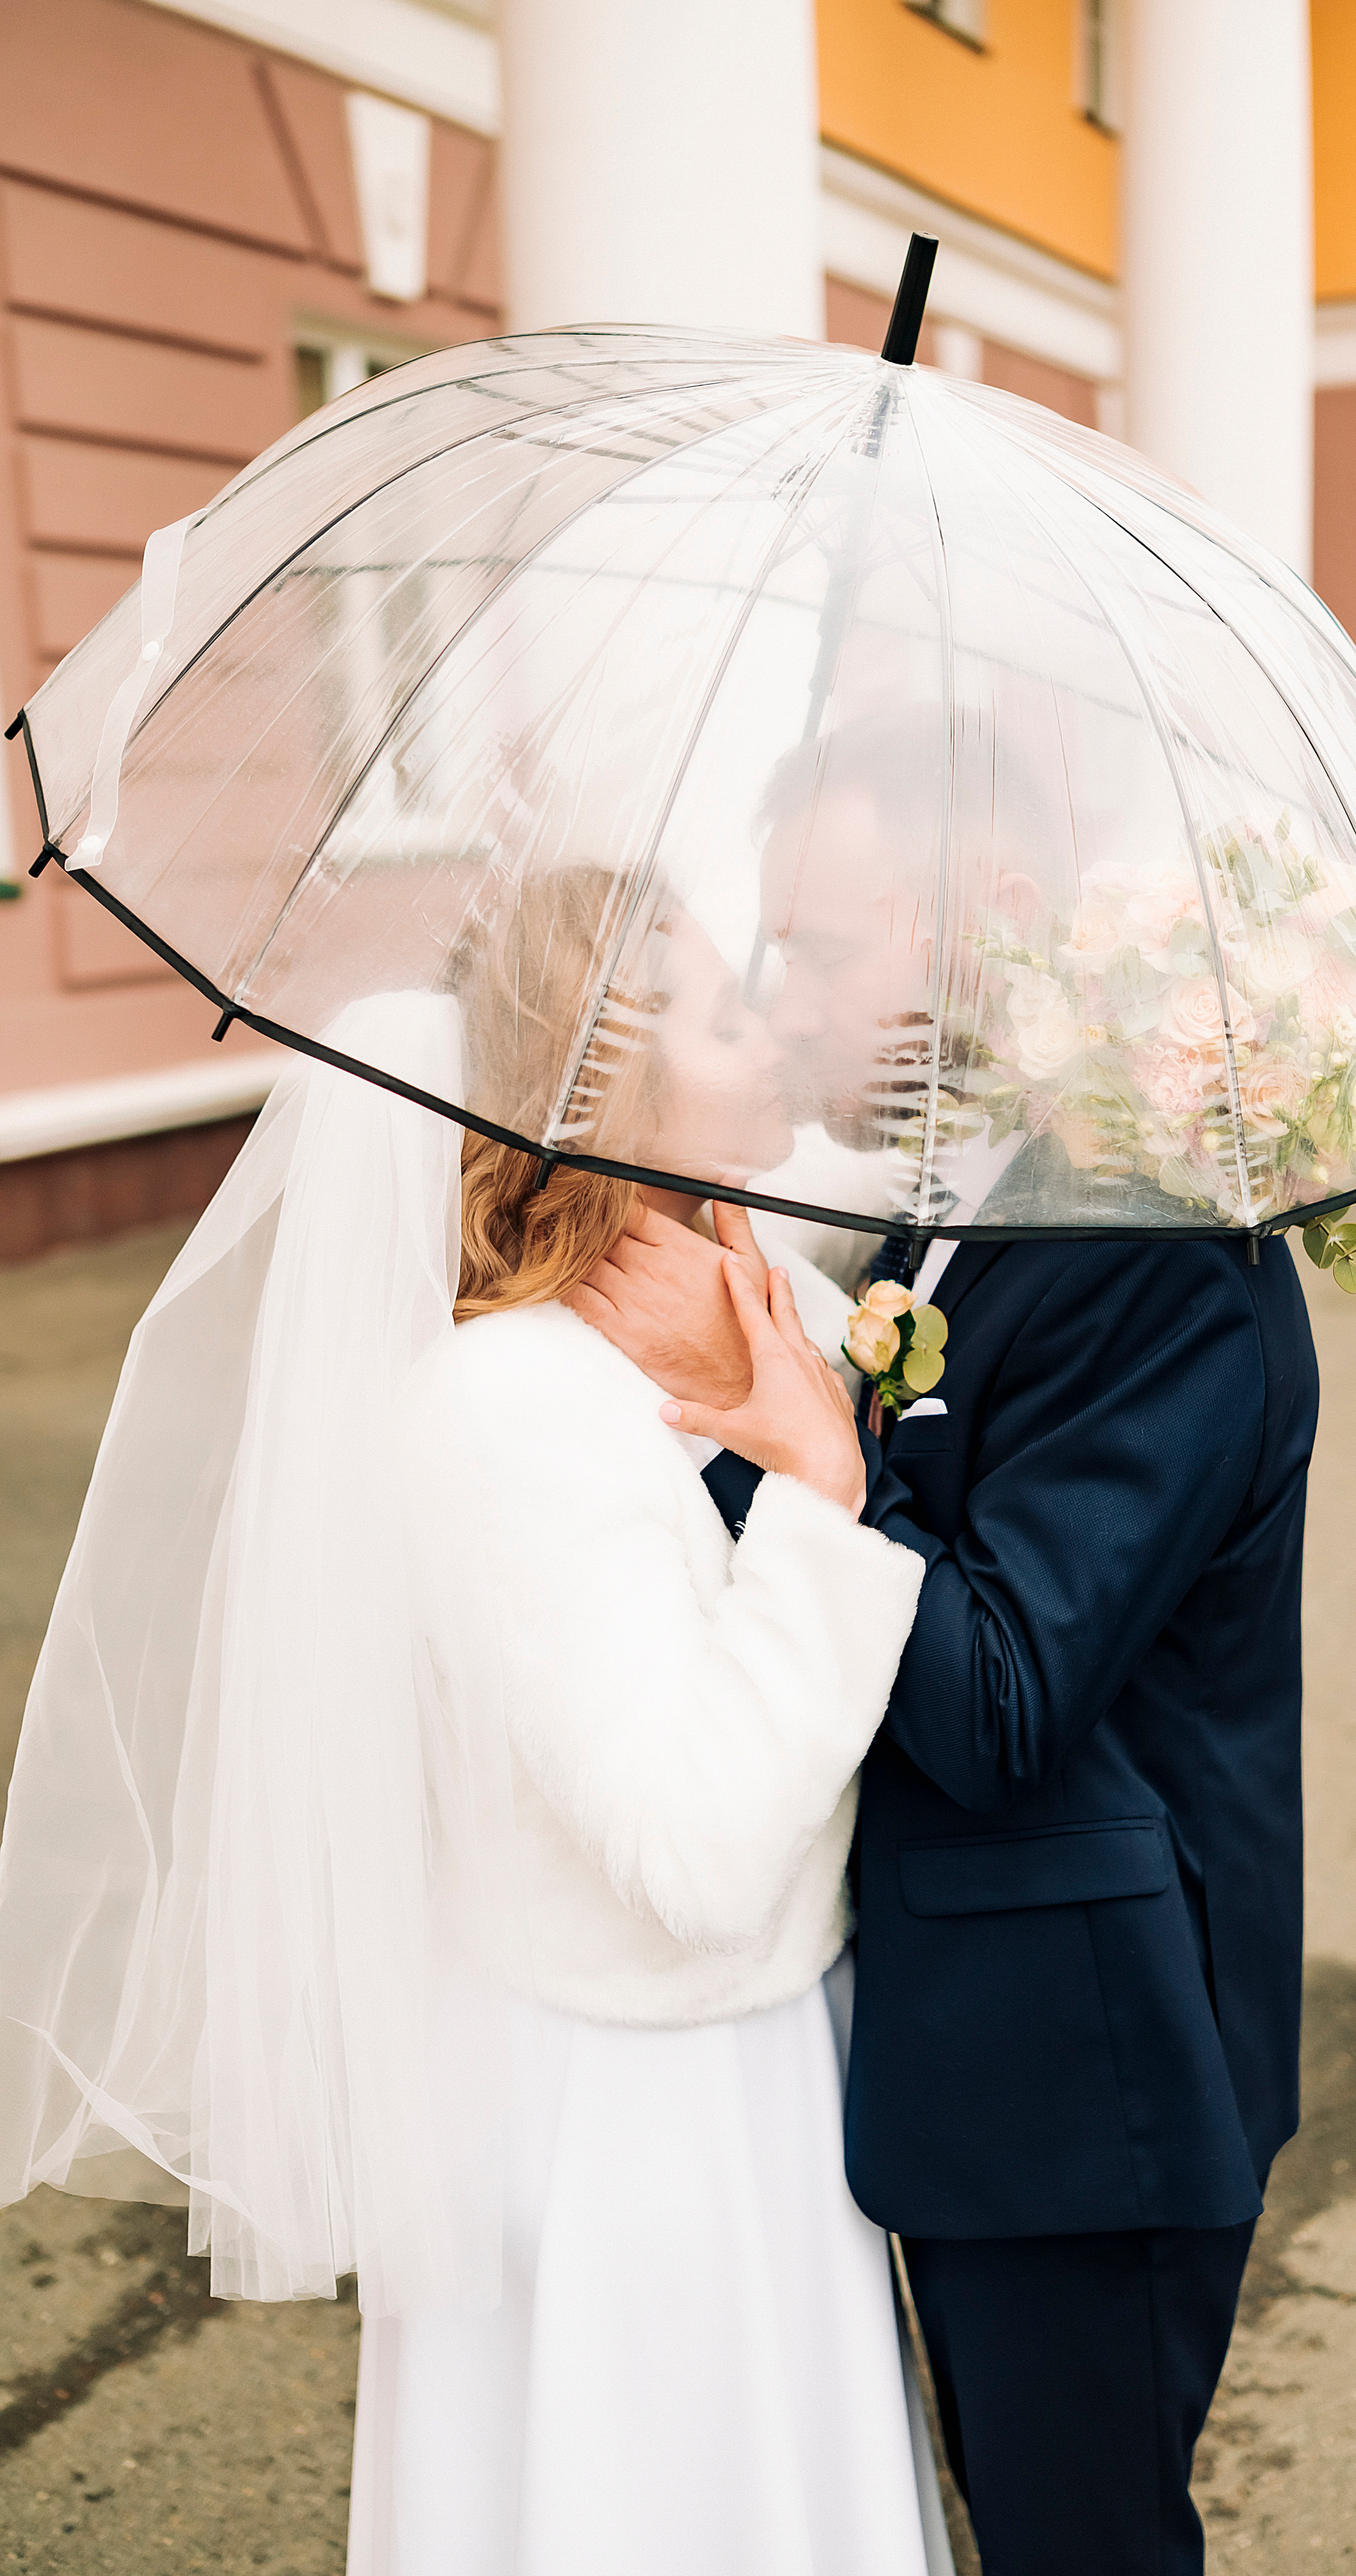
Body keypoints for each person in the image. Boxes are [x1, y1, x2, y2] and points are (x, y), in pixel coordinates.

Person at [0, 867, 941, 2576]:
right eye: (728, 1011)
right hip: (625, 2128)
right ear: (609, 1094)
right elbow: (696, 1857)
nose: (774, 1029)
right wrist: (820, 1496)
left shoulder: (771, 1305)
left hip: (770, 2075)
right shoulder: (507, 1409)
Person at [577, 726, 1322, 2575]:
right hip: (984, 2044)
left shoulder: (1151, 1248)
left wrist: (792, 1445)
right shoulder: (959, 1200)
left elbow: (999, 1701)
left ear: (981, 924)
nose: (783, 997)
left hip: (1096, 2065)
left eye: (819, 947)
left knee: (1081, 2544)